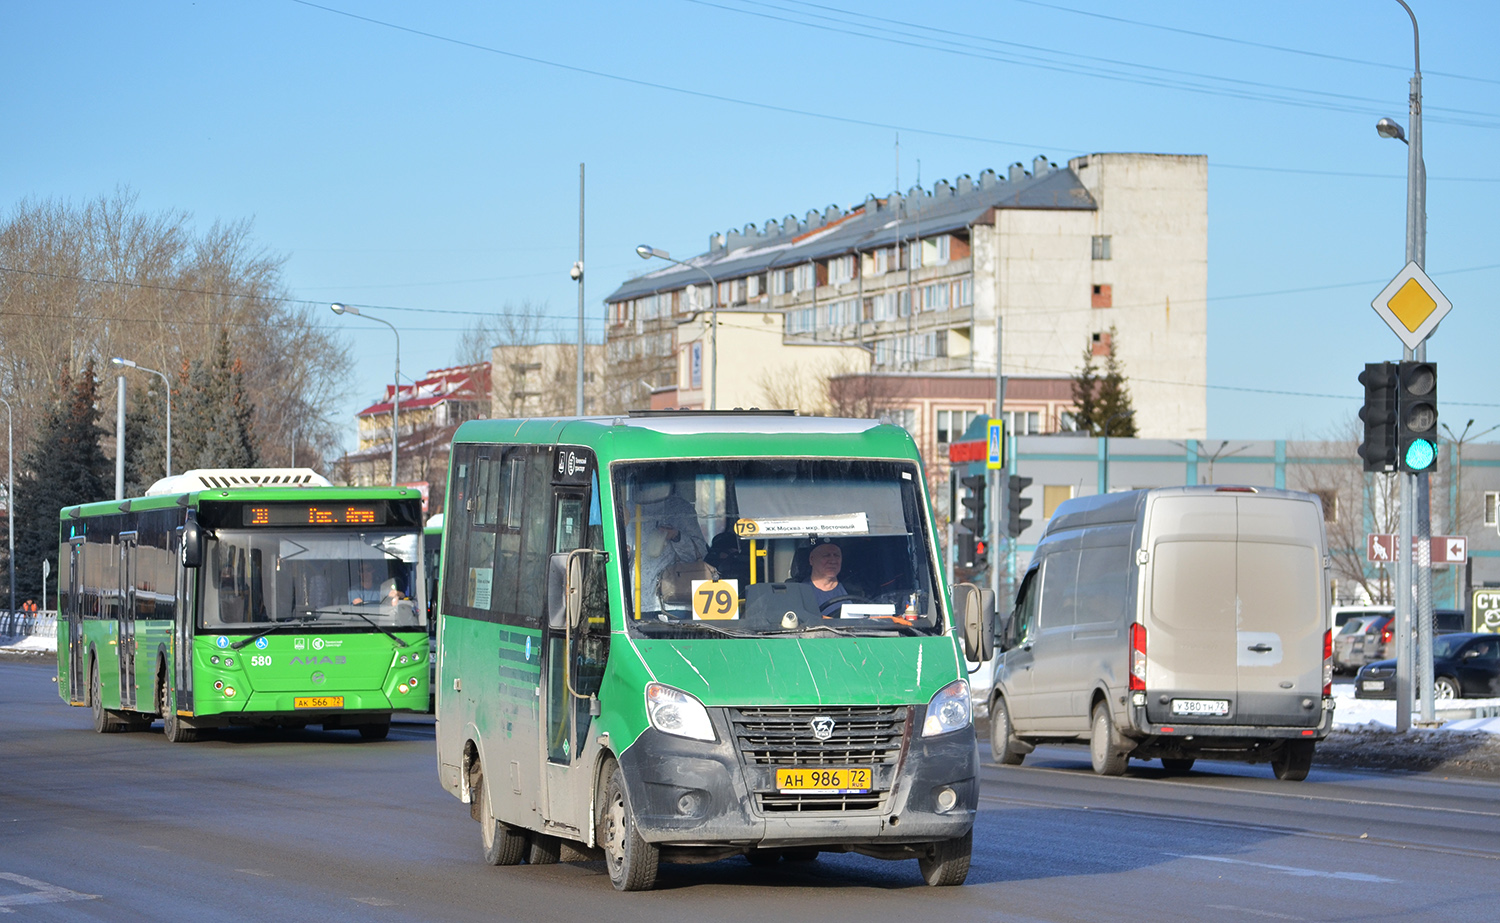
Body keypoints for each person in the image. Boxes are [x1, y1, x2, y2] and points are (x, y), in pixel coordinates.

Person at [626, 479, 708, 612]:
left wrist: (677, 537)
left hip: (674, 601)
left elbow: (699, 554)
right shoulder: (627, 509)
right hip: (635, 602)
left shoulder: (679, 508)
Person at [806, 541, 852, 616]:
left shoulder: (856, 591)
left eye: (836, 555)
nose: (833, 561)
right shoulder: (798, 593)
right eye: (826, 555)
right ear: (812, 559)